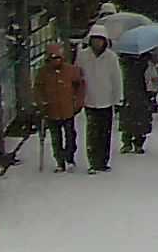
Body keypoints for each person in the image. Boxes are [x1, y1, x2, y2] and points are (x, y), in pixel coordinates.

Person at [33, 43, 87, 171]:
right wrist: (41, 103)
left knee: (70, 136)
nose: (55, 61)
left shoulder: (70, 70)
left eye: (58, 58)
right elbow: (38, 88)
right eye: (53, 58)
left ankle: (69, 157)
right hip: (51, 110)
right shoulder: (43, 72)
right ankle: (59, 160)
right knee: (56, 138)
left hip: (68, 109)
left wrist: (78, 102)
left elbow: (80, 85)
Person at [75, 32, 122, 174]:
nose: (97, 43)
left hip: (106, 99)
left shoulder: (111, 57)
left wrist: (117, 97)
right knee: (92, 132)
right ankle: (93, 161)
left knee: (105, 132)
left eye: (100, 41)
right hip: (89, 100)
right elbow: (78, 75)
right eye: (95, 40)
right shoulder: (83, 55)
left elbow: (116, 78)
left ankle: (103, 161)